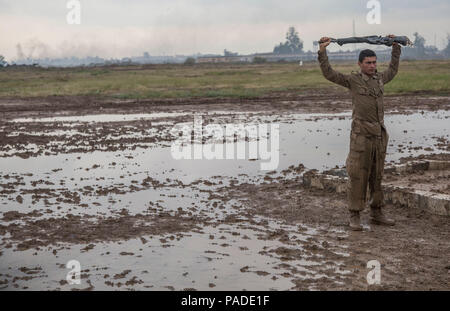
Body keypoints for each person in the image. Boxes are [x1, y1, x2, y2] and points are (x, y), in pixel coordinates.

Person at [318, 34, 401, 231]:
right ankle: (354, 215)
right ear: (360, 64)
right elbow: (329, 74)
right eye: (368, 63)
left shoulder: (380, 79)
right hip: (361, 136)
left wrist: (396, 47)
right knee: (358, 175)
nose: (372, 66)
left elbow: (393, 70)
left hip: (379, 136)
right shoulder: (353, 80)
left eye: (374, 62)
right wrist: (322, 52)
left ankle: (377, 213)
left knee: (377, 175)